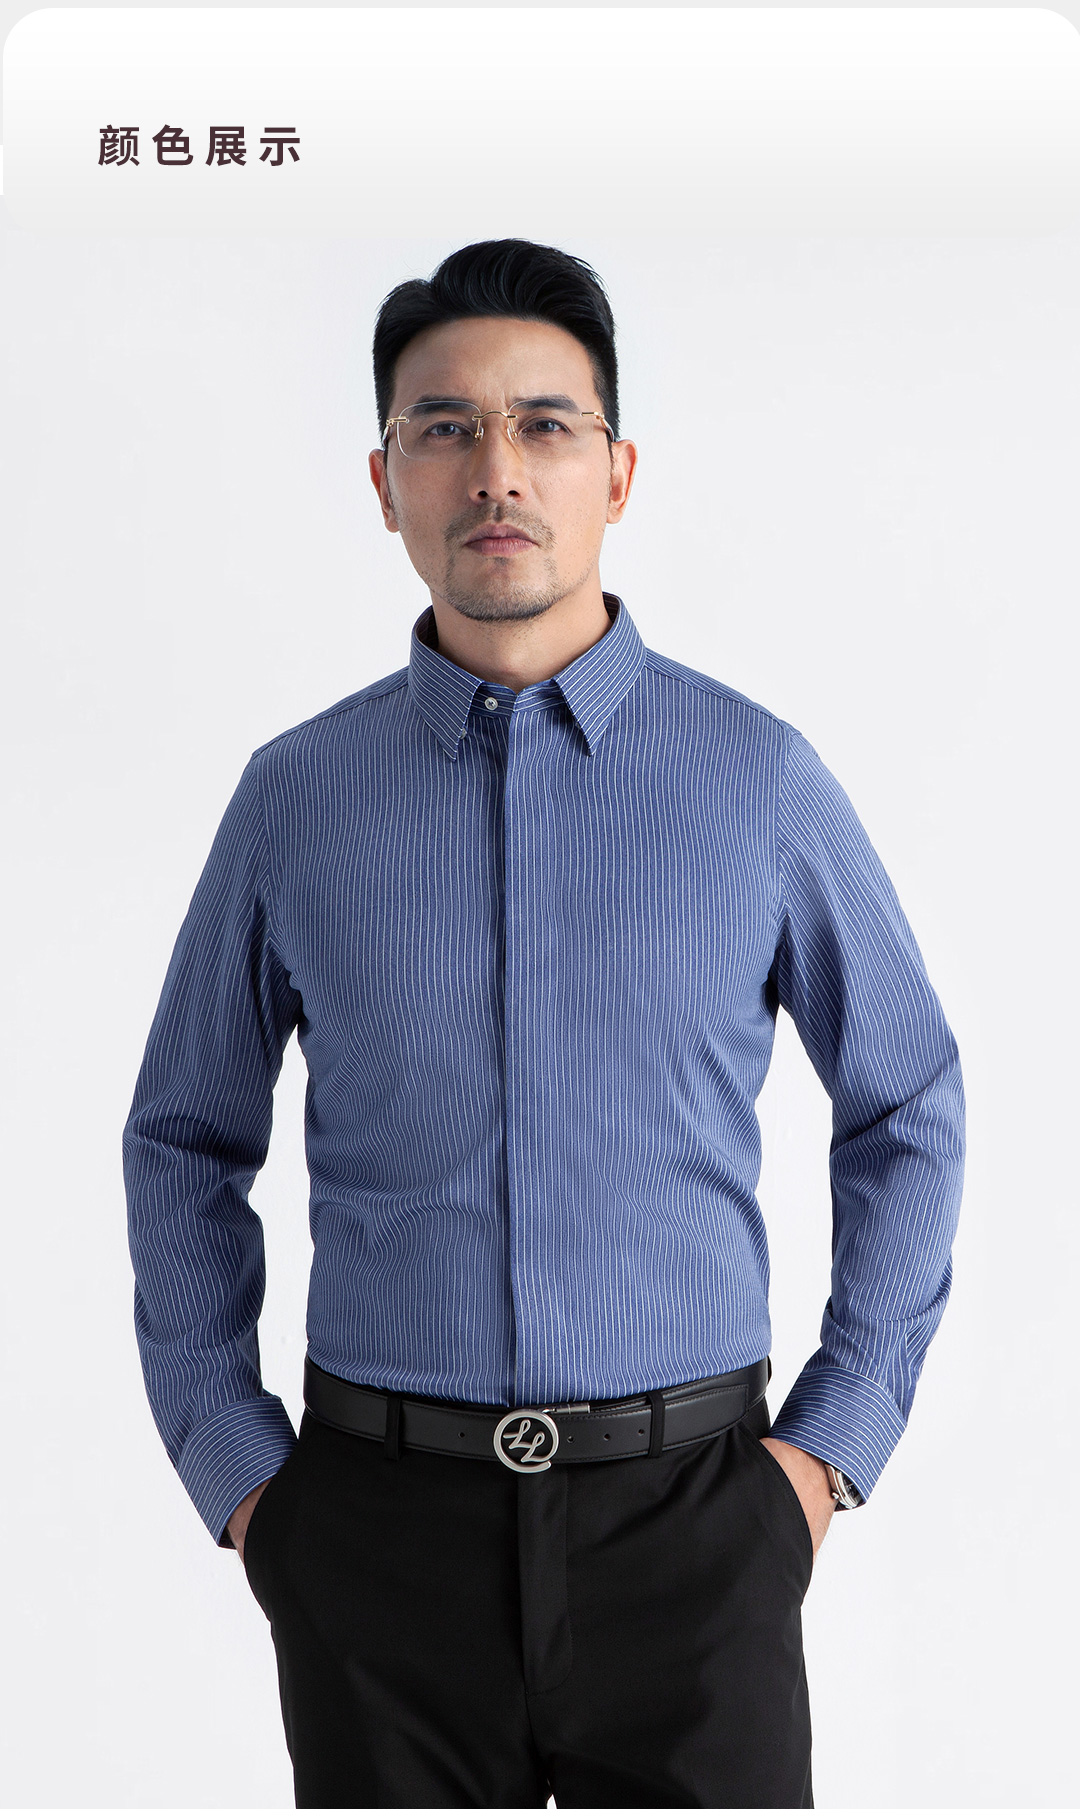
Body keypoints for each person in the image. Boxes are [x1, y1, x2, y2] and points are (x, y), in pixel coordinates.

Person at [124, 238, 965, 1809]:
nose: (494, 471)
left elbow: (907, 1102)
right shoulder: (297, 800)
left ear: (616, 473)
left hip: (697, 1534)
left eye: (543, 425)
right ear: (385, 483)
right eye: (442, 428)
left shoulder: (758, 781)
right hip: (376, 1546)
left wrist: (824, 1454)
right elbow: (182, 1135)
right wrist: (241, 1474)